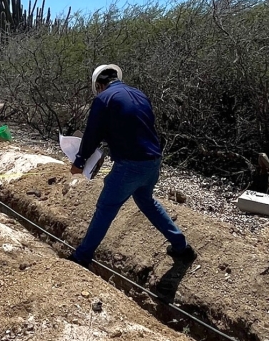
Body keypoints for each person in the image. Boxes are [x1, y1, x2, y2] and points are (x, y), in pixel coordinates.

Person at [68, 64, 196, 267]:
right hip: (153, 161)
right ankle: (181, 245)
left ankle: (81, 257)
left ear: (99, 85)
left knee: (106, 208)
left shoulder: (104, 99)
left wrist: (79, 162)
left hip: (130, 165)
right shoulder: (139, 94)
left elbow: (92, 133)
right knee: (146, 201)